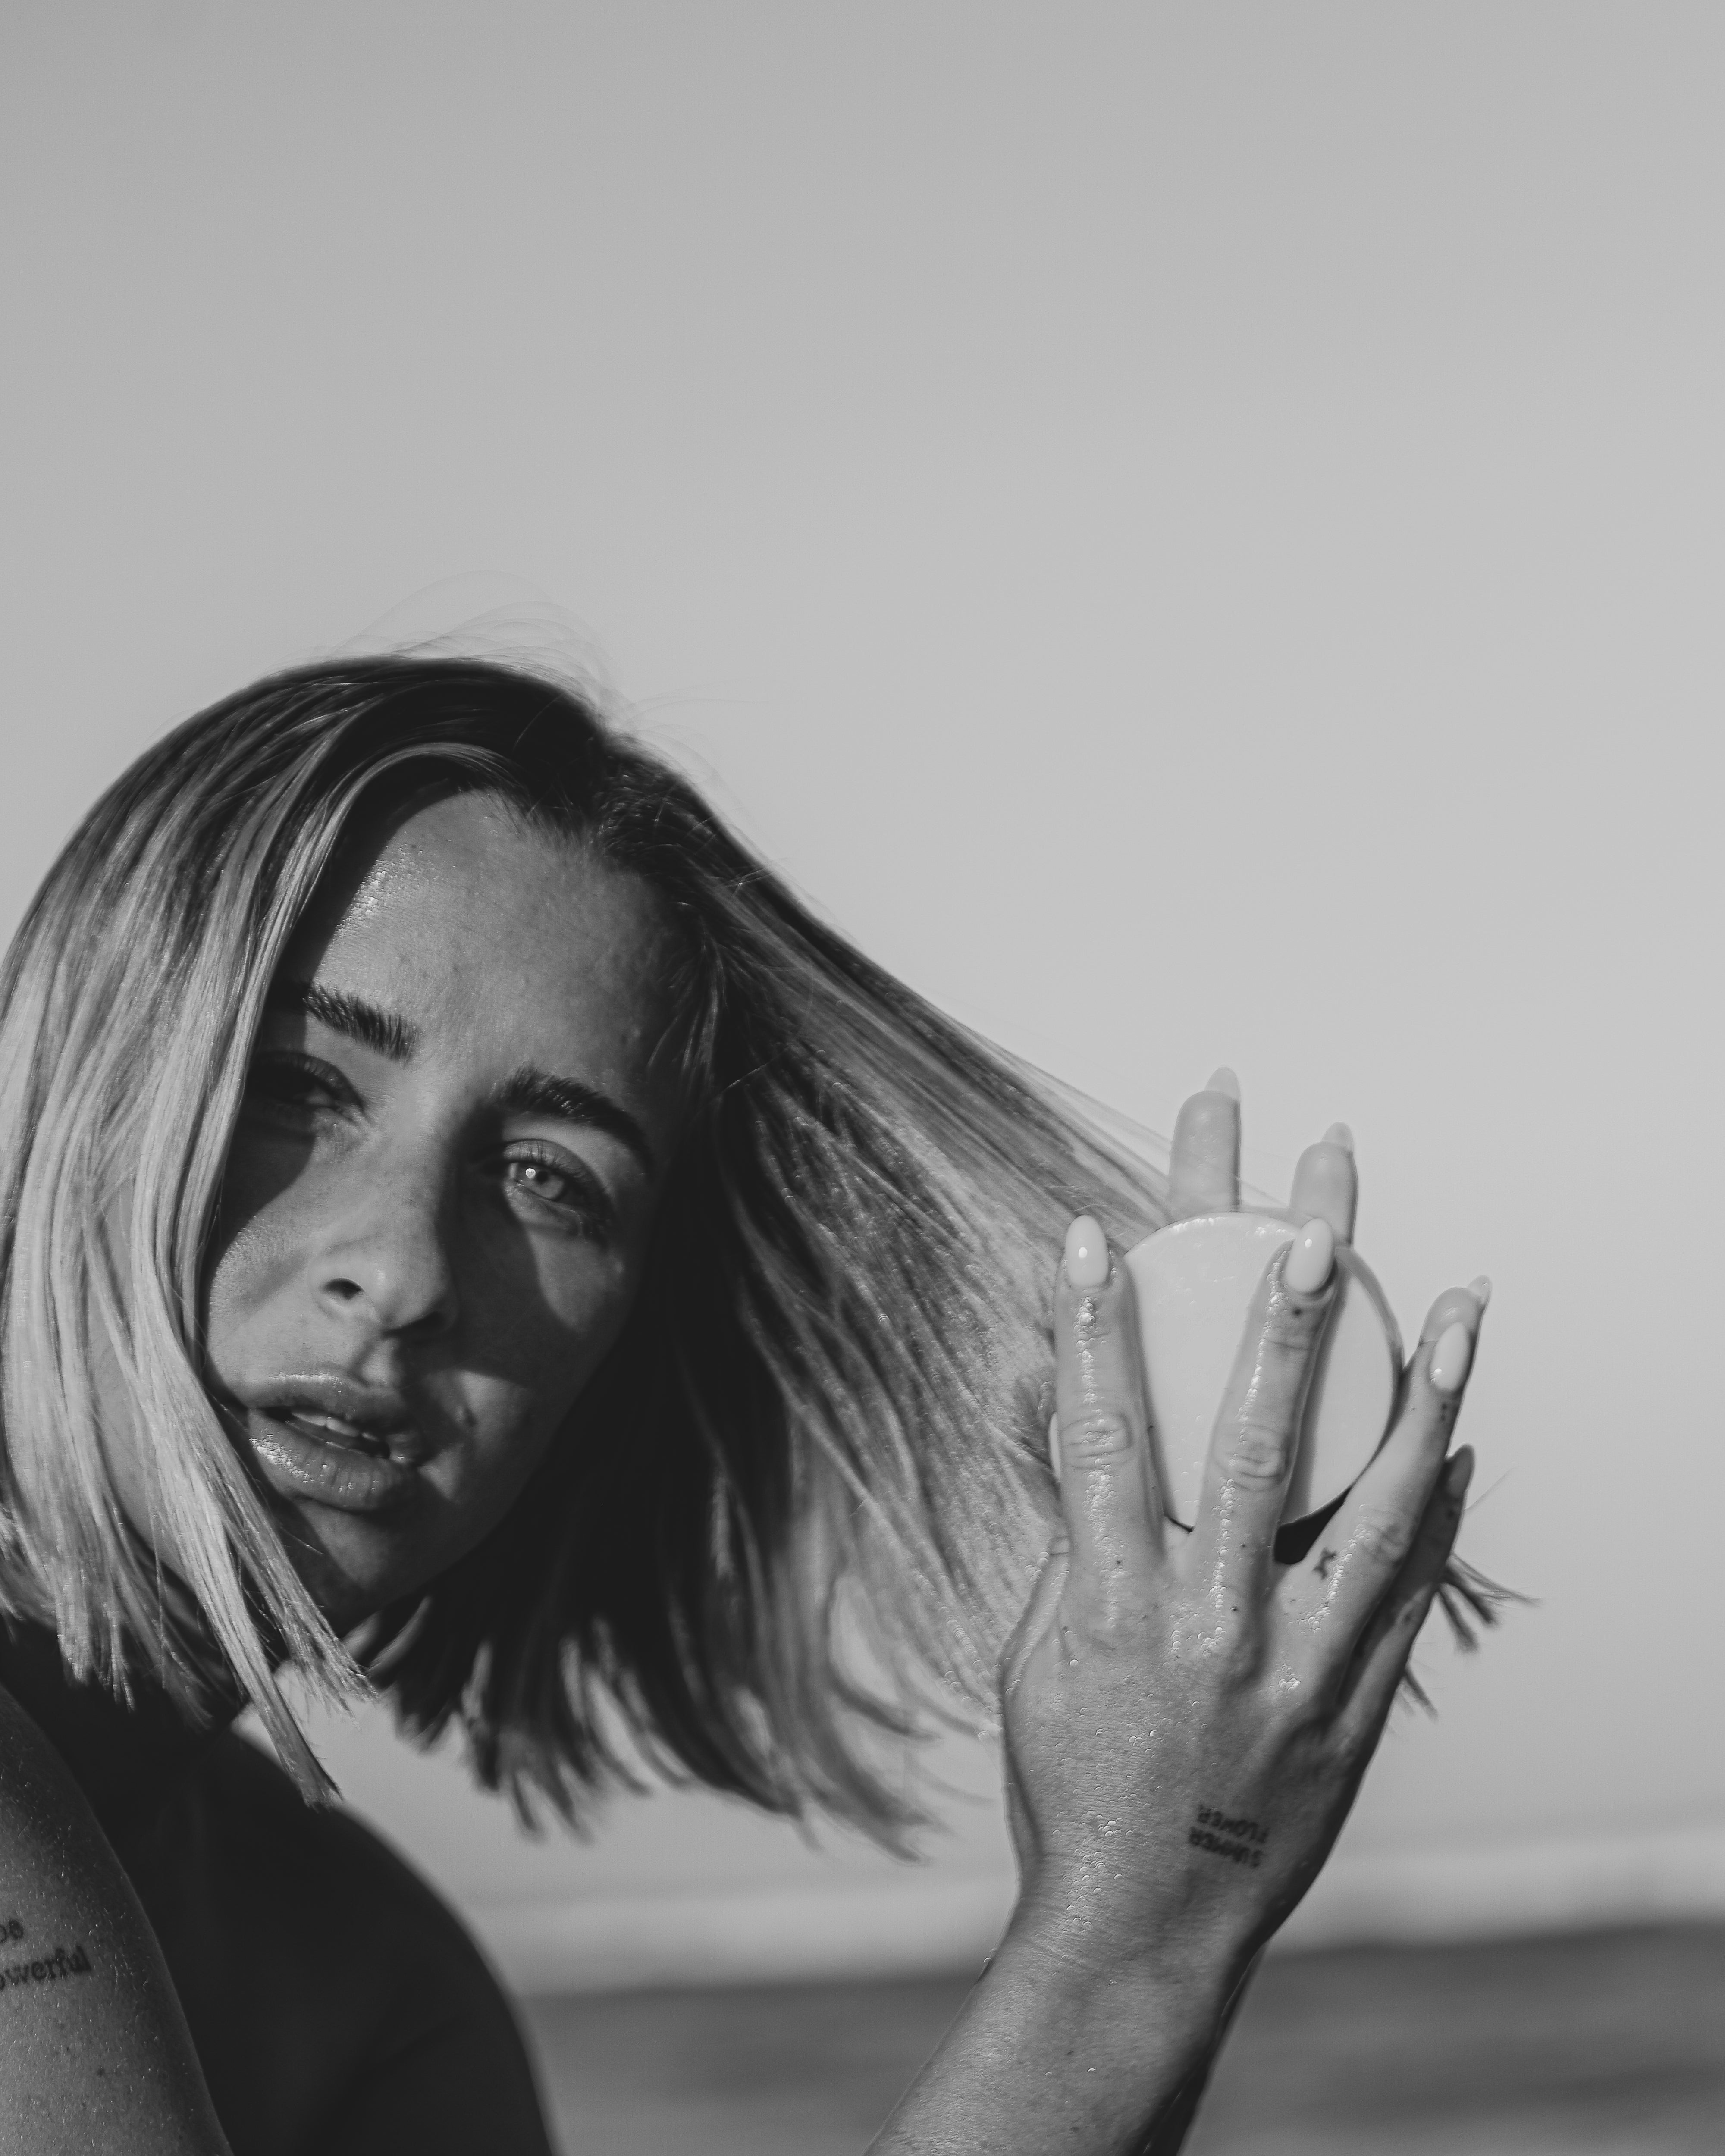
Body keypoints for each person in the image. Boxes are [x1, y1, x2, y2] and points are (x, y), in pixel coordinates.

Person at [0, 655, 1496, 2153]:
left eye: (548, 1180)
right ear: (72, 1078)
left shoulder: (367, 1985)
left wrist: (1161, 1901)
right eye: (295, 1087)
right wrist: (1130, 1952)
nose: (400, 1272)